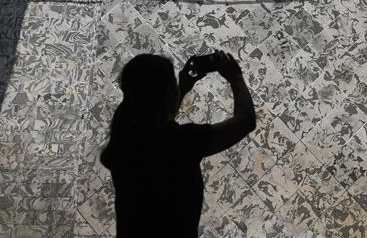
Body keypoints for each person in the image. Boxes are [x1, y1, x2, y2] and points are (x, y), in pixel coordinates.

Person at [100, 50, 256, 237]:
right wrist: (235, 77)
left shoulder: (126, 137)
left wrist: (181, 87)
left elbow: (156, 121)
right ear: (167, 94)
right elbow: (245, 121)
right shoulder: (182, 142)